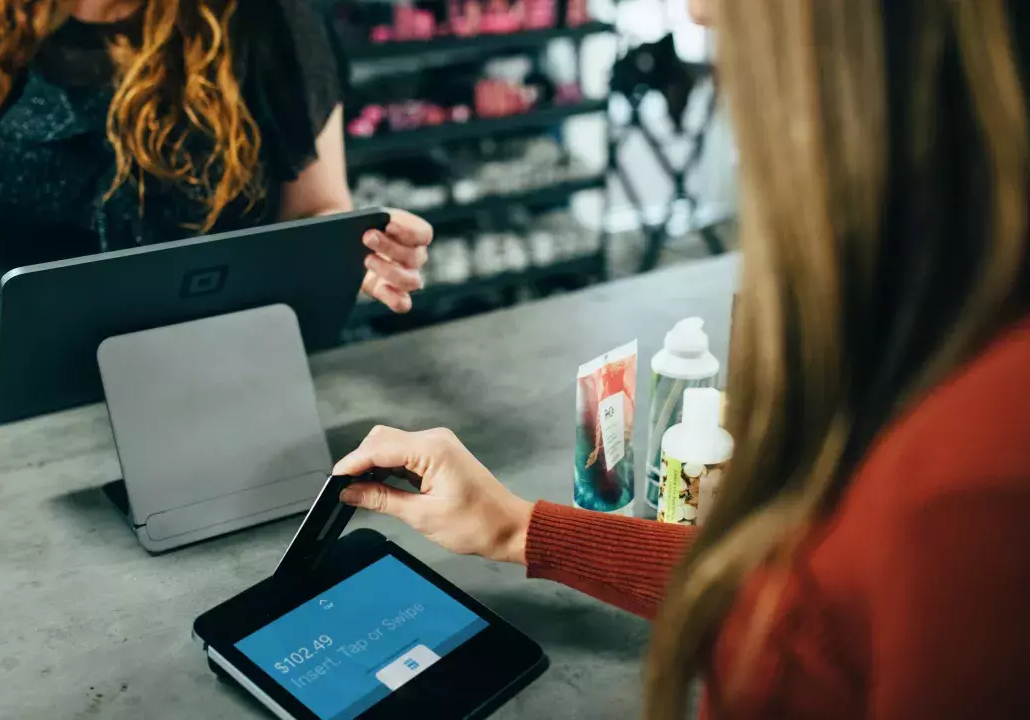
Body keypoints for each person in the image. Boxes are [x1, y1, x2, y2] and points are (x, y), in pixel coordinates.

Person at [336, 1, 1030, 718]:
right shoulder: (931, 342)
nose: (697, 9)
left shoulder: (977, 478)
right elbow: (812, 597)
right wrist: (519, 528)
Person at [0, 0, 433, 440]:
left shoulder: (270, 17)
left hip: (231, 417)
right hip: (28, 432)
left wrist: (353, 251)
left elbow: (315, 210)